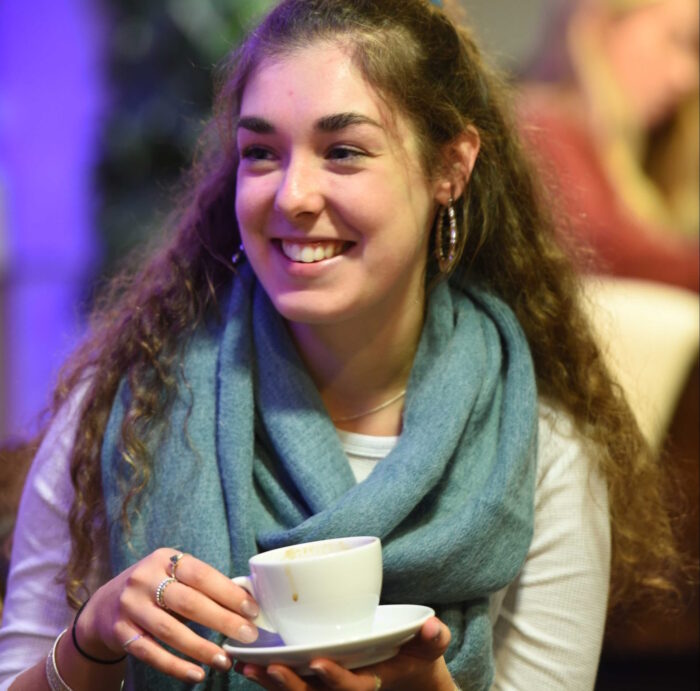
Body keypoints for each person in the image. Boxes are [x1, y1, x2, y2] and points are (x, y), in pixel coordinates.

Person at [0, 1, 682, 689]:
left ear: (451, 168)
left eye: (344, 152)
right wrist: (91, 640)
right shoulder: (127, 410)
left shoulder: (540, 447)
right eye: (261, 152)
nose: (293, 195)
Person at [517, 0, 699, 292]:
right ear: (606, 27)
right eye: (675, 39)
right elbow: (603, 245)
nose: (687, 75)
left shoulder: (643, 155)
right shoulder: (545, 129)